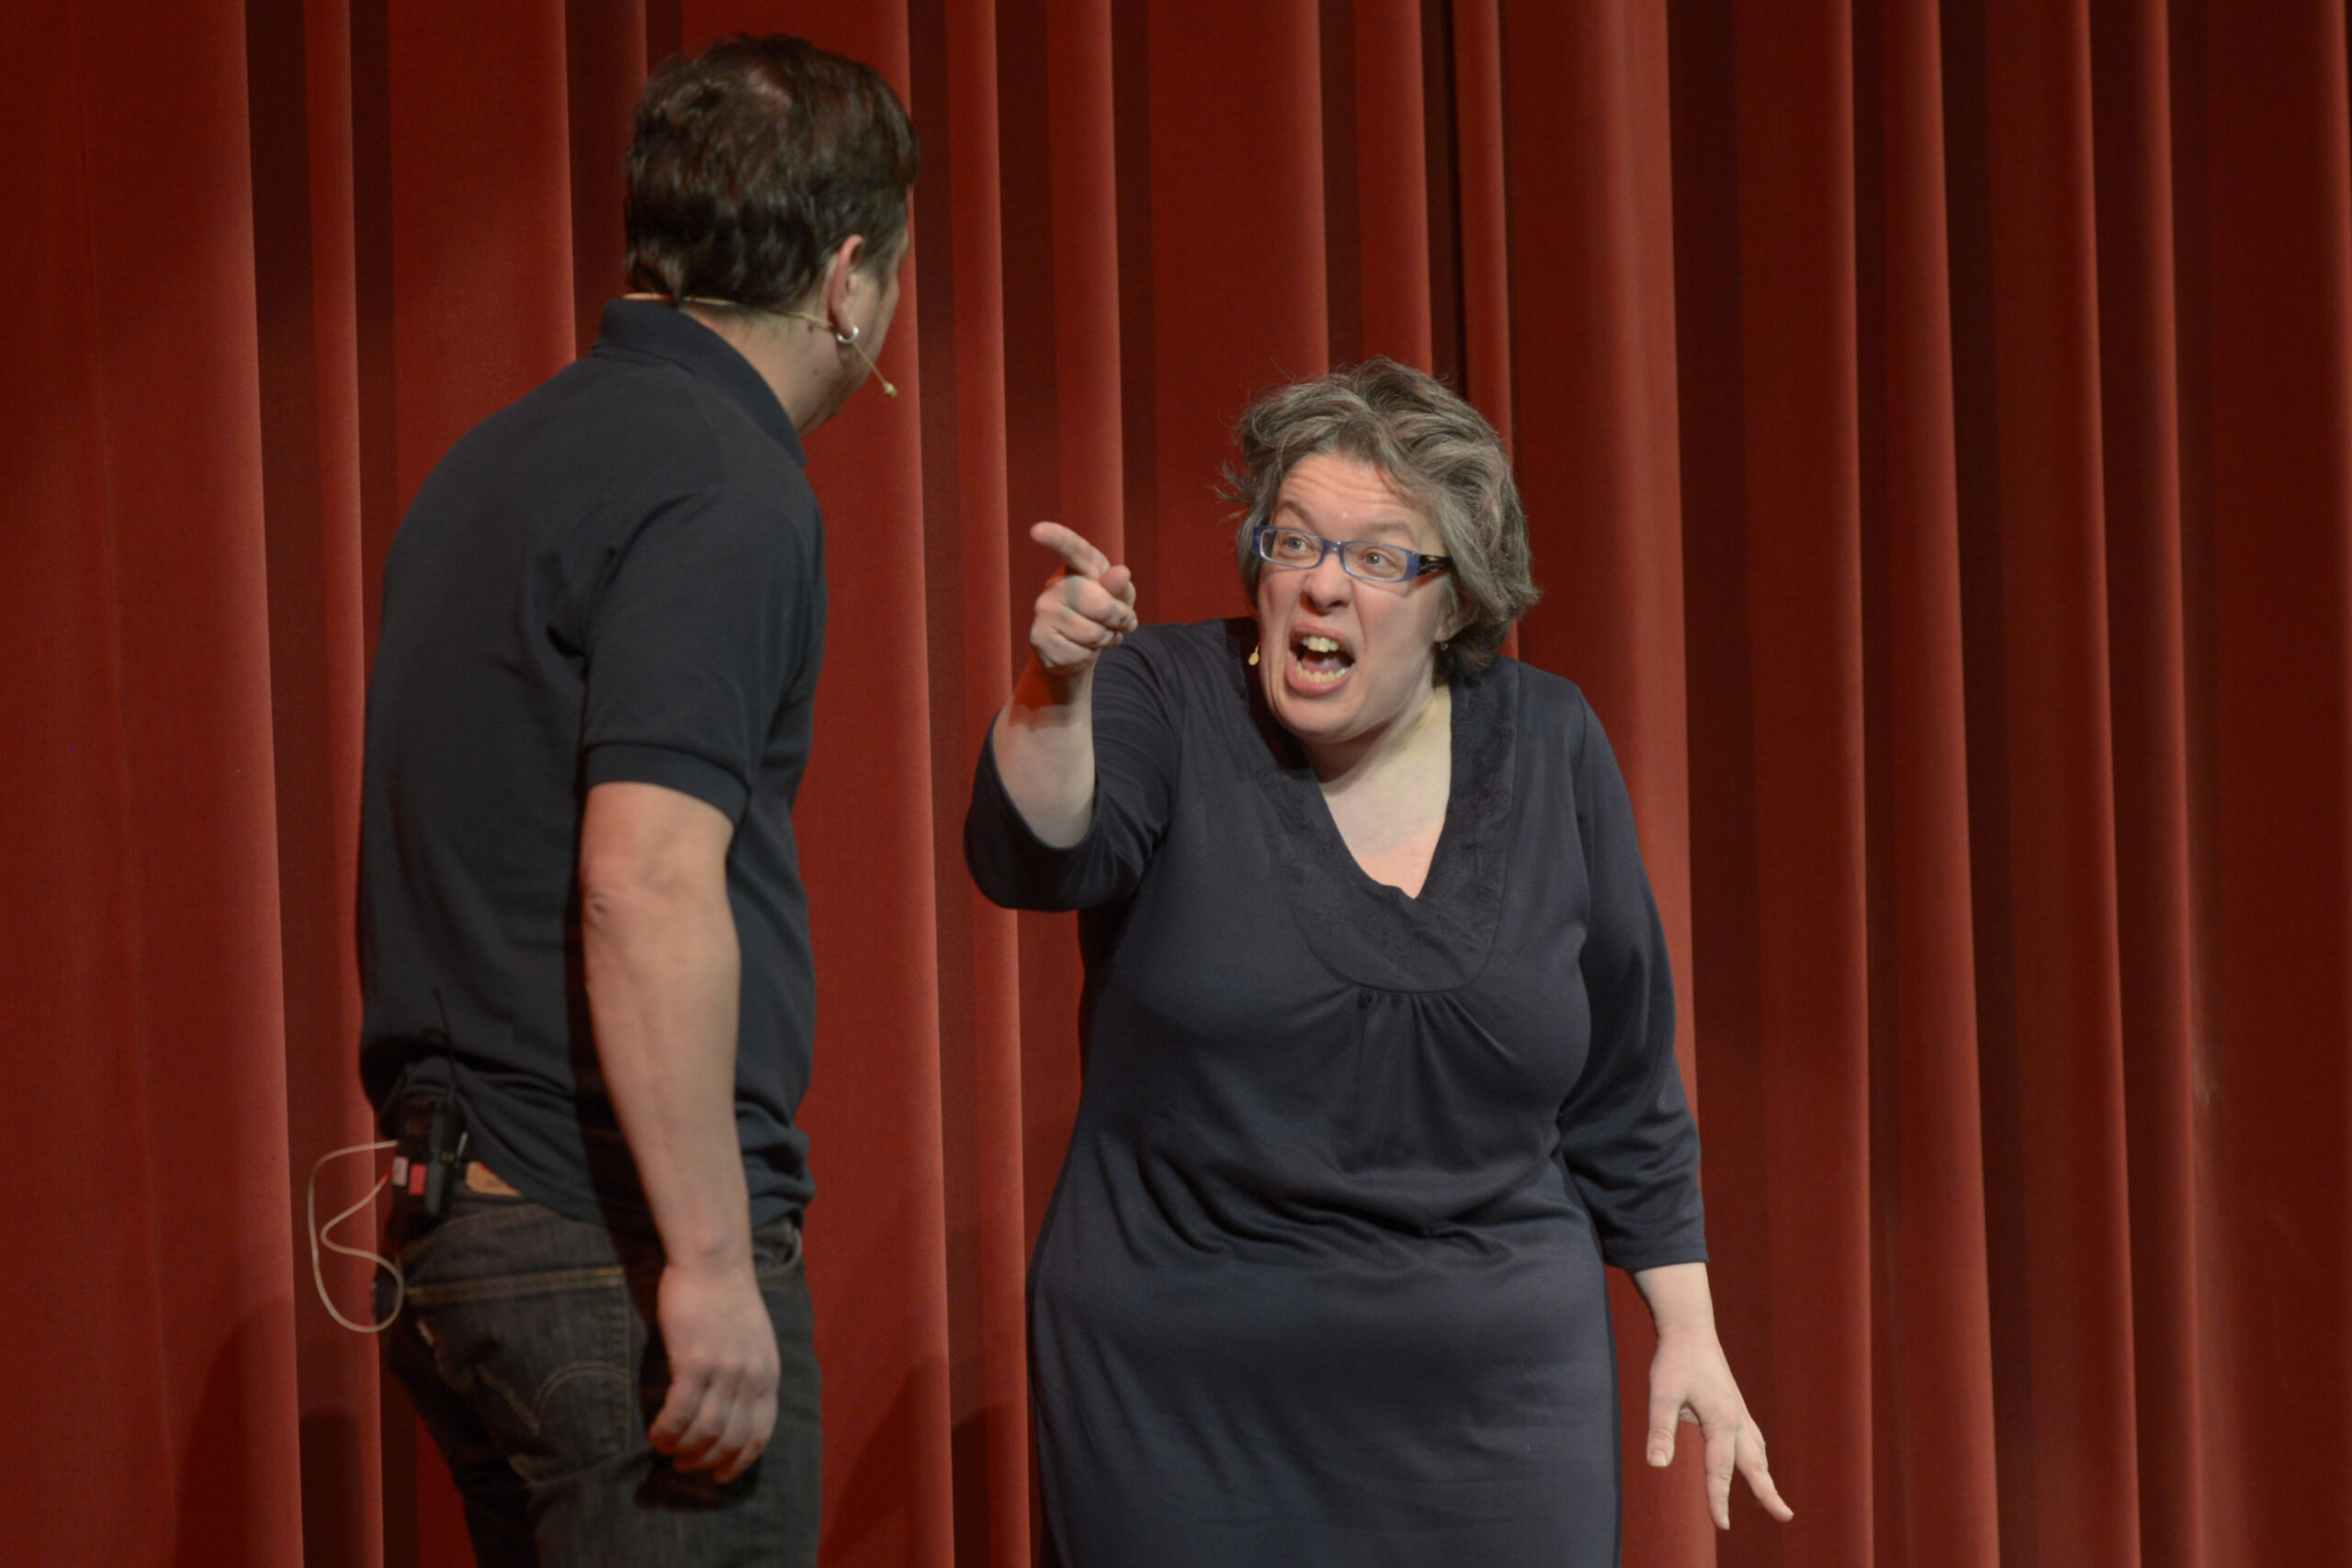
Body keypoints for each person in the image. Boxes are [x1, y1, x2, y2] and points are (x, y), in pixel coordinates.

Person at [965, 359, 1793, 1565]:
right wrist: (1055, 686)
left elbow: (1623, 1079)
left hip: (1499, 1417)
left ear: (1456, 602)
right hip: (1187, 1413)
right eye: (1292, 542)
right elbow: (1037, 860)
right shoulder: (1170, 696)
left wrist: (1691, 1331)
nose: (1319, 589)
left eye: (1377, 559)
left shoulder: (1550, 742)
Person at [357, 35, 914, 1567]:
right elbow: (646, 879)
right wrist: (712, 1261)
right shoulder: (721, 480)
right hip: (600, 1241)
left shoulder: (500, 459)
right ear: (850, 276)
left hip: (460, 1231)